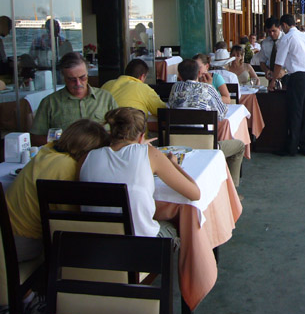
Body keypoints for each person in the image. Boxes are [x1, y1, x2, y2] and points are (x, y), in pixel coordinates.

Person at [80, 107, 200, 238]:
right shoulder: (149, 154)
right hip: (140, 243)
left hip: (95, 240)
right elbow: (195, 193)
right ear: (142, 136)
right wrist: (174, 165)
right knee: (181, 223)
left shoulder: (87, 157)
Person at [6, 119, 110, 261]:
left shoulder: (47, 150)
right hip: (22, 241)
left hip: (6, 230)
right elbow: (70, 220)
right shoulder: (68, 168)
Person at [167, 59, 245, 187]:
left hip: (176, 144)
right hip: (205, 145)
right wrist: (209, 86)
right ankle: (231, 191)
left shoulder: (175, 88)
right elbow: (221, 113)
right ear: (199, 73)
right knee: (239, 146)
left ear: (179, 76)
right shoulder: (208, 89)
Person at [30, 52, 118, 146]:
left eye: (82, 77)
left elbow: (121, 130)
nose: (78, 83)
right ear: (64, 78)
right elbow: (35, 138)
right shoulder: (50, 102)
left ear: (88, 74)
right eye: (72, 79)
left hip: (100, 154)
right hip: (65, 156)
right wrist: (64, 143)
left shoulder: (105, 98)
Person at [269, 14, 305, 157]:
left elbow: (279, 63)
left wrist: (272, 81)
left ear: (283, 25)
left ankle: (292, 147)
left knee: (295, 112)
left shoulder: (286, 39)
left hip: (297, 78)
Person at [101, 59, 166, 117]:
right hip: (132, 128)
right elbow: (163, 111)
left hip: (105, 128)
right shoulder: (143, 88)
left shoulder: (107, 84)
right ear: (142, 77)